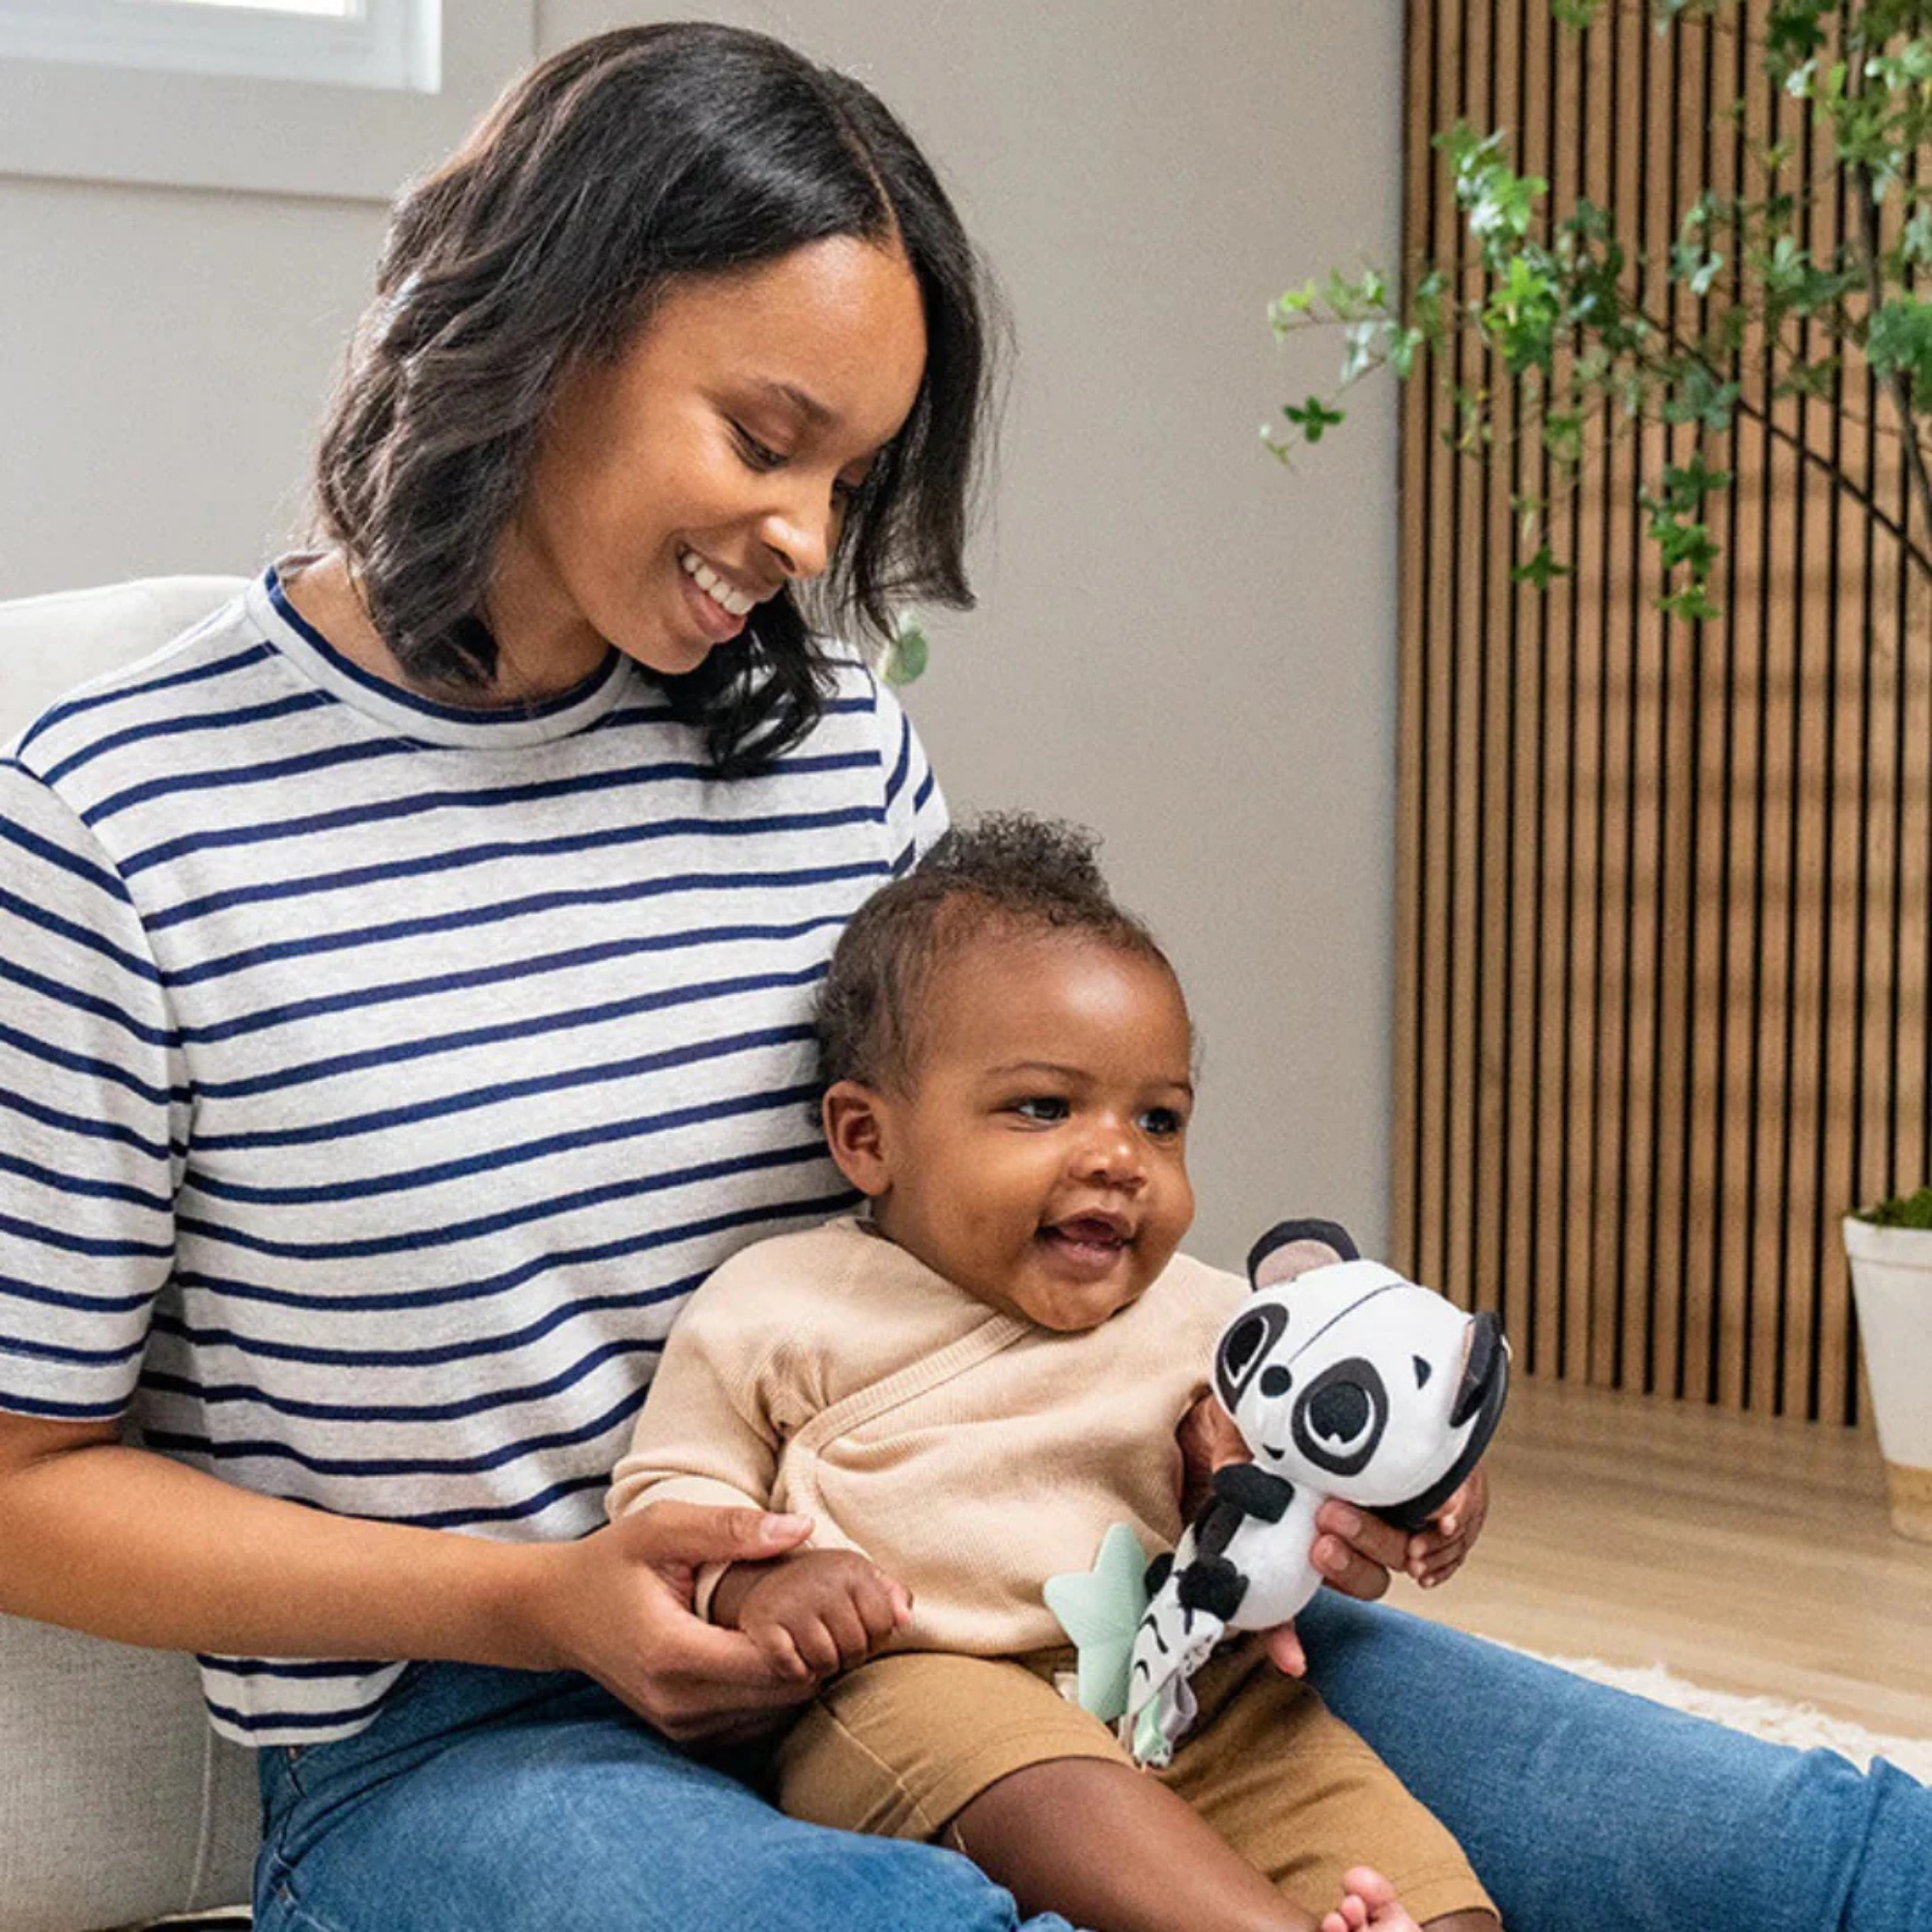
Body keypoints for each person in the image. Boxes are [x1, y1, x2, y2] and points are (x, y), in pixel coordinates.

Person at [0, 20, 1924, 1932]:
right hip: (475, 1738)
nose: (805, 540)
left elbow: (971, 1201)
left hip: (1041, 1620)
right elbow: (25, 1477)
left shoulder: (827, 748)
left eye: (850, 476)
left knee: (1804, 1851)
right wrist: (531, 1597)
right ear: (546, 329)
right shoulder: (117, 816)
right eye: (765, 440)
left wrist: (1217, 1415)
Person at [610, 810, 1500, 1932]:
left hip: (1196, 1686)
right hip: (921, 1690)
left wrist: (1435, 1490)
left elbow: (1362, 1431)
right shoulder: (782, 1302)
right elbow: (671, 1508)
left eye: (1159, 1119)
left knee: (1387, 1835)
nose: (1116, 1157)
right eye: (1042, 1105)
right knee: (1050, 1790)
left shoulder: (1220, 1318)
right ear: (865, 1137)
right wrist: (758, 1586)